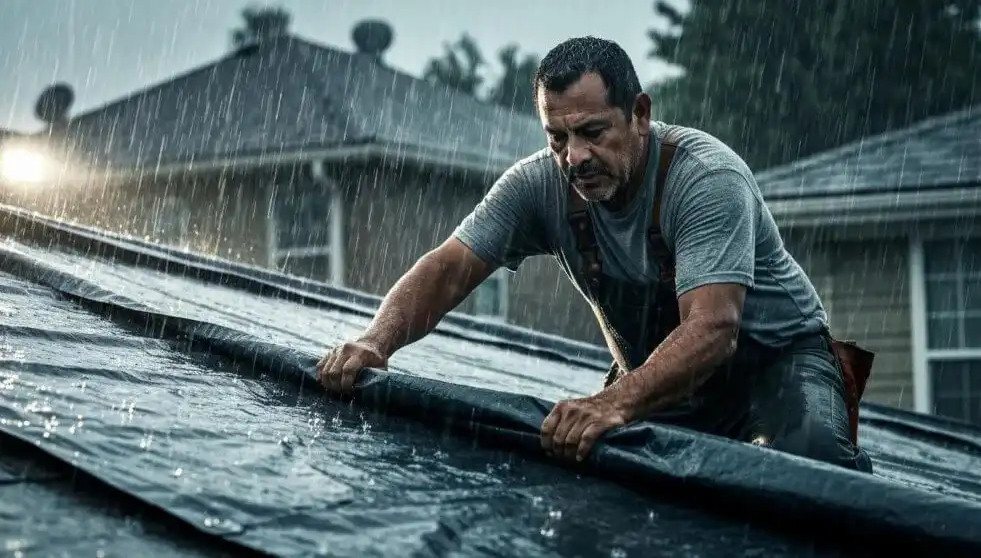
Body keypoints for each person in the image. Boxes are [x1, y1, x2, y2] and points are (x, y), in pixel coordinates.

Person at [317, 36, 873, 474]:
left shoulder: (705, 179)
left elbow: (713, 330)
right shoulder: (538, 185)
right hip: (659, 375)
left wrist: (613, 404)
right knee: (600, 481)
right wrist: (374, 341)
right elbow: (449, 268)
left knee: (811, 467)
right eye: (557, 138)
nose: (574, 156)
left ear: (639, 113)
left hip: (776, 368)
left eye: (592, 132)